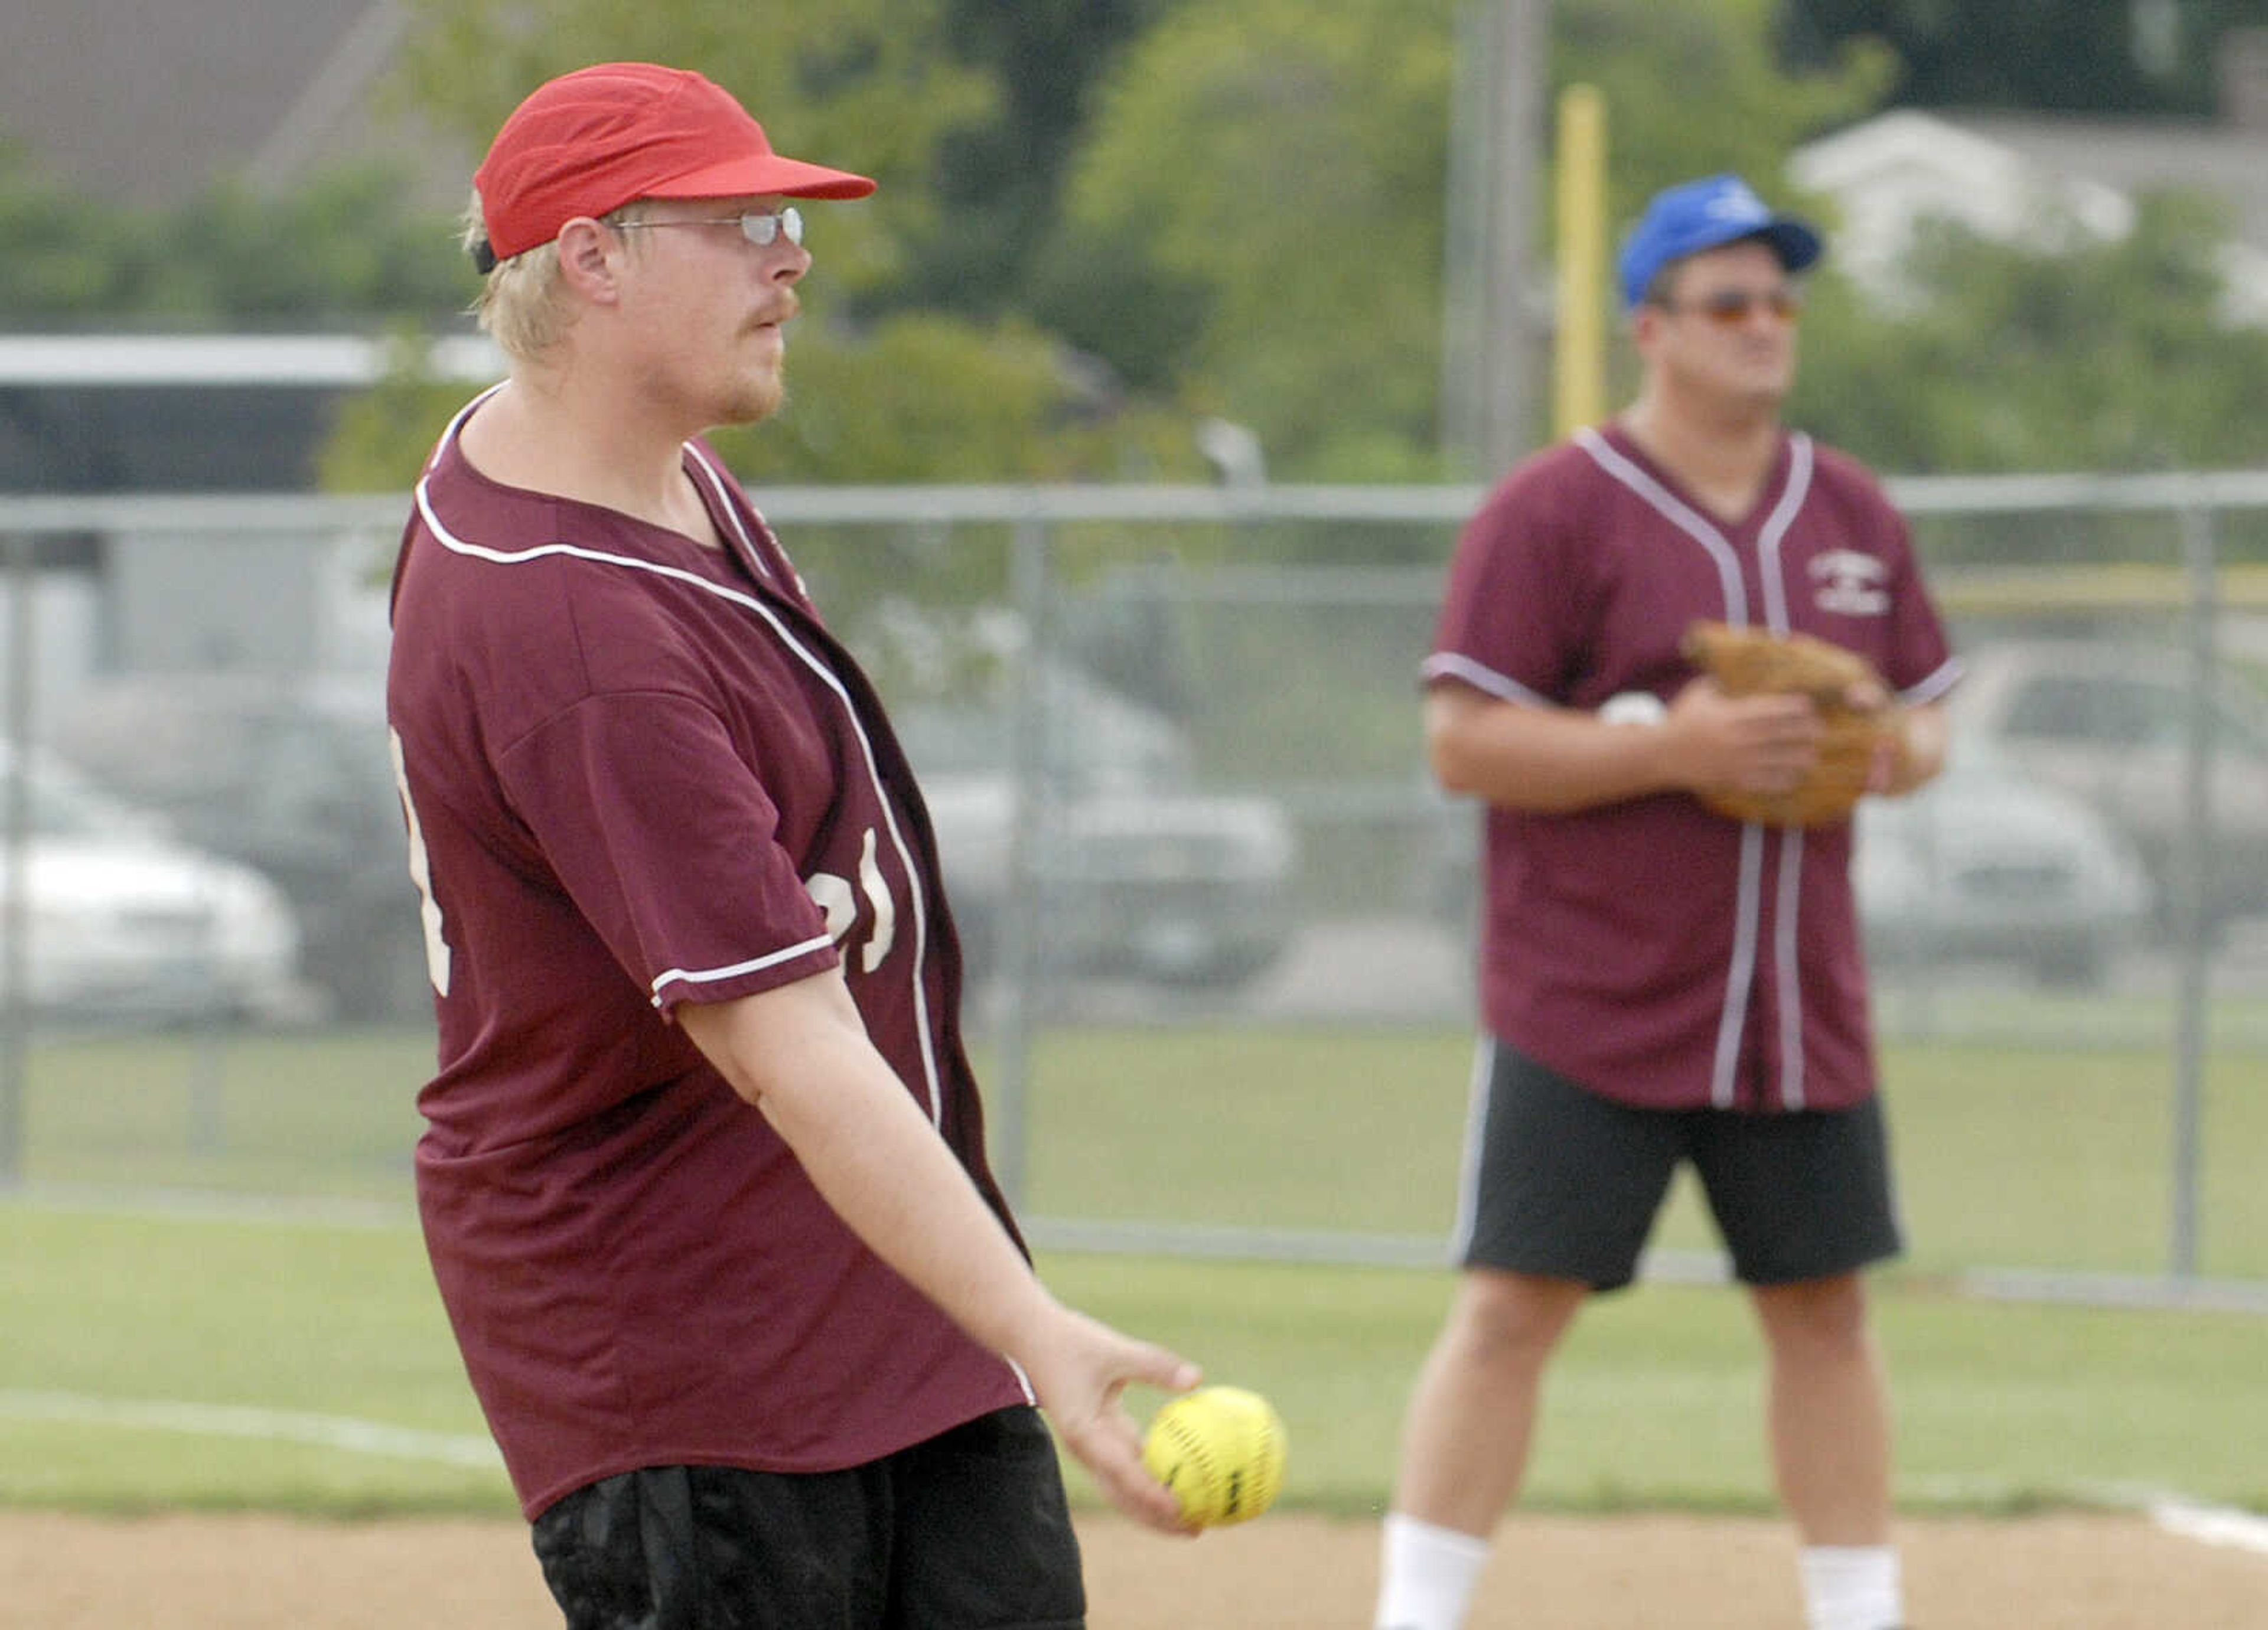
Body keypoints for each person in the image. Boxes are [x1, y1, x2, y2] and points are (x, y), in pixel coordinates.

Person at [384, 61, 1200, 1630]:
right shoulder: (572, 630)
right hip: (694, 1346)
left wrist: (989, 1318)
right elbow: (791, 1042)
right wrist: (1036, 1319)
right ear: (597, 259)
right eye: (741, 219)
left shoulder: (629, 461)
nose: (795, 254)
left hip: (873, 1290)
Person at [1373, 174, 1960, 1630]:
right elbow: (1463, 741)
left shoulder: (1851, 509)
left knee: (1825, 1312)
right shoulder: (1557, 509)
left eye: (1780, 300)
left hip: (1795, 1007)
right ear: (1652, 327)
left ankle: (1860, 1613)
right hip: (1595, 997)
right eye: (1729, 302)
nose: (1765, 327)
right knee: (1513, 1311)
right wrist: (1673, 747)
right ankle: (1414, 1617)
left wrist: (1884, 750)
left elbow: (1931, 718)